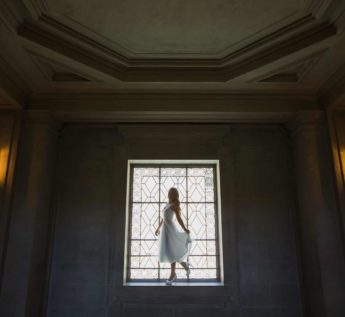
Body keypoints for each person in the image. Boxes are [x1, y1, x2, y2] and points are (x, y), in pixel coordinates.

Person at [155, 187, 192, 285]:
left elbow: (179, 219)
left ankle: (173, 274)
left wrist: (184, 229)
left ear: (175, 195)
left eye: (172, 193)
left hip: (171, 230)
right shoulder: (167, 204)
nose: (170, 194)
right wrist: (158, 228)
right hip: (165, 231)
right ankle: (185, 266)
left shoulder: (174, 205)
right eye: (169, 193)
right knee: (171, 252)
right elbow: (163, 218)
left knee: (172, 252)